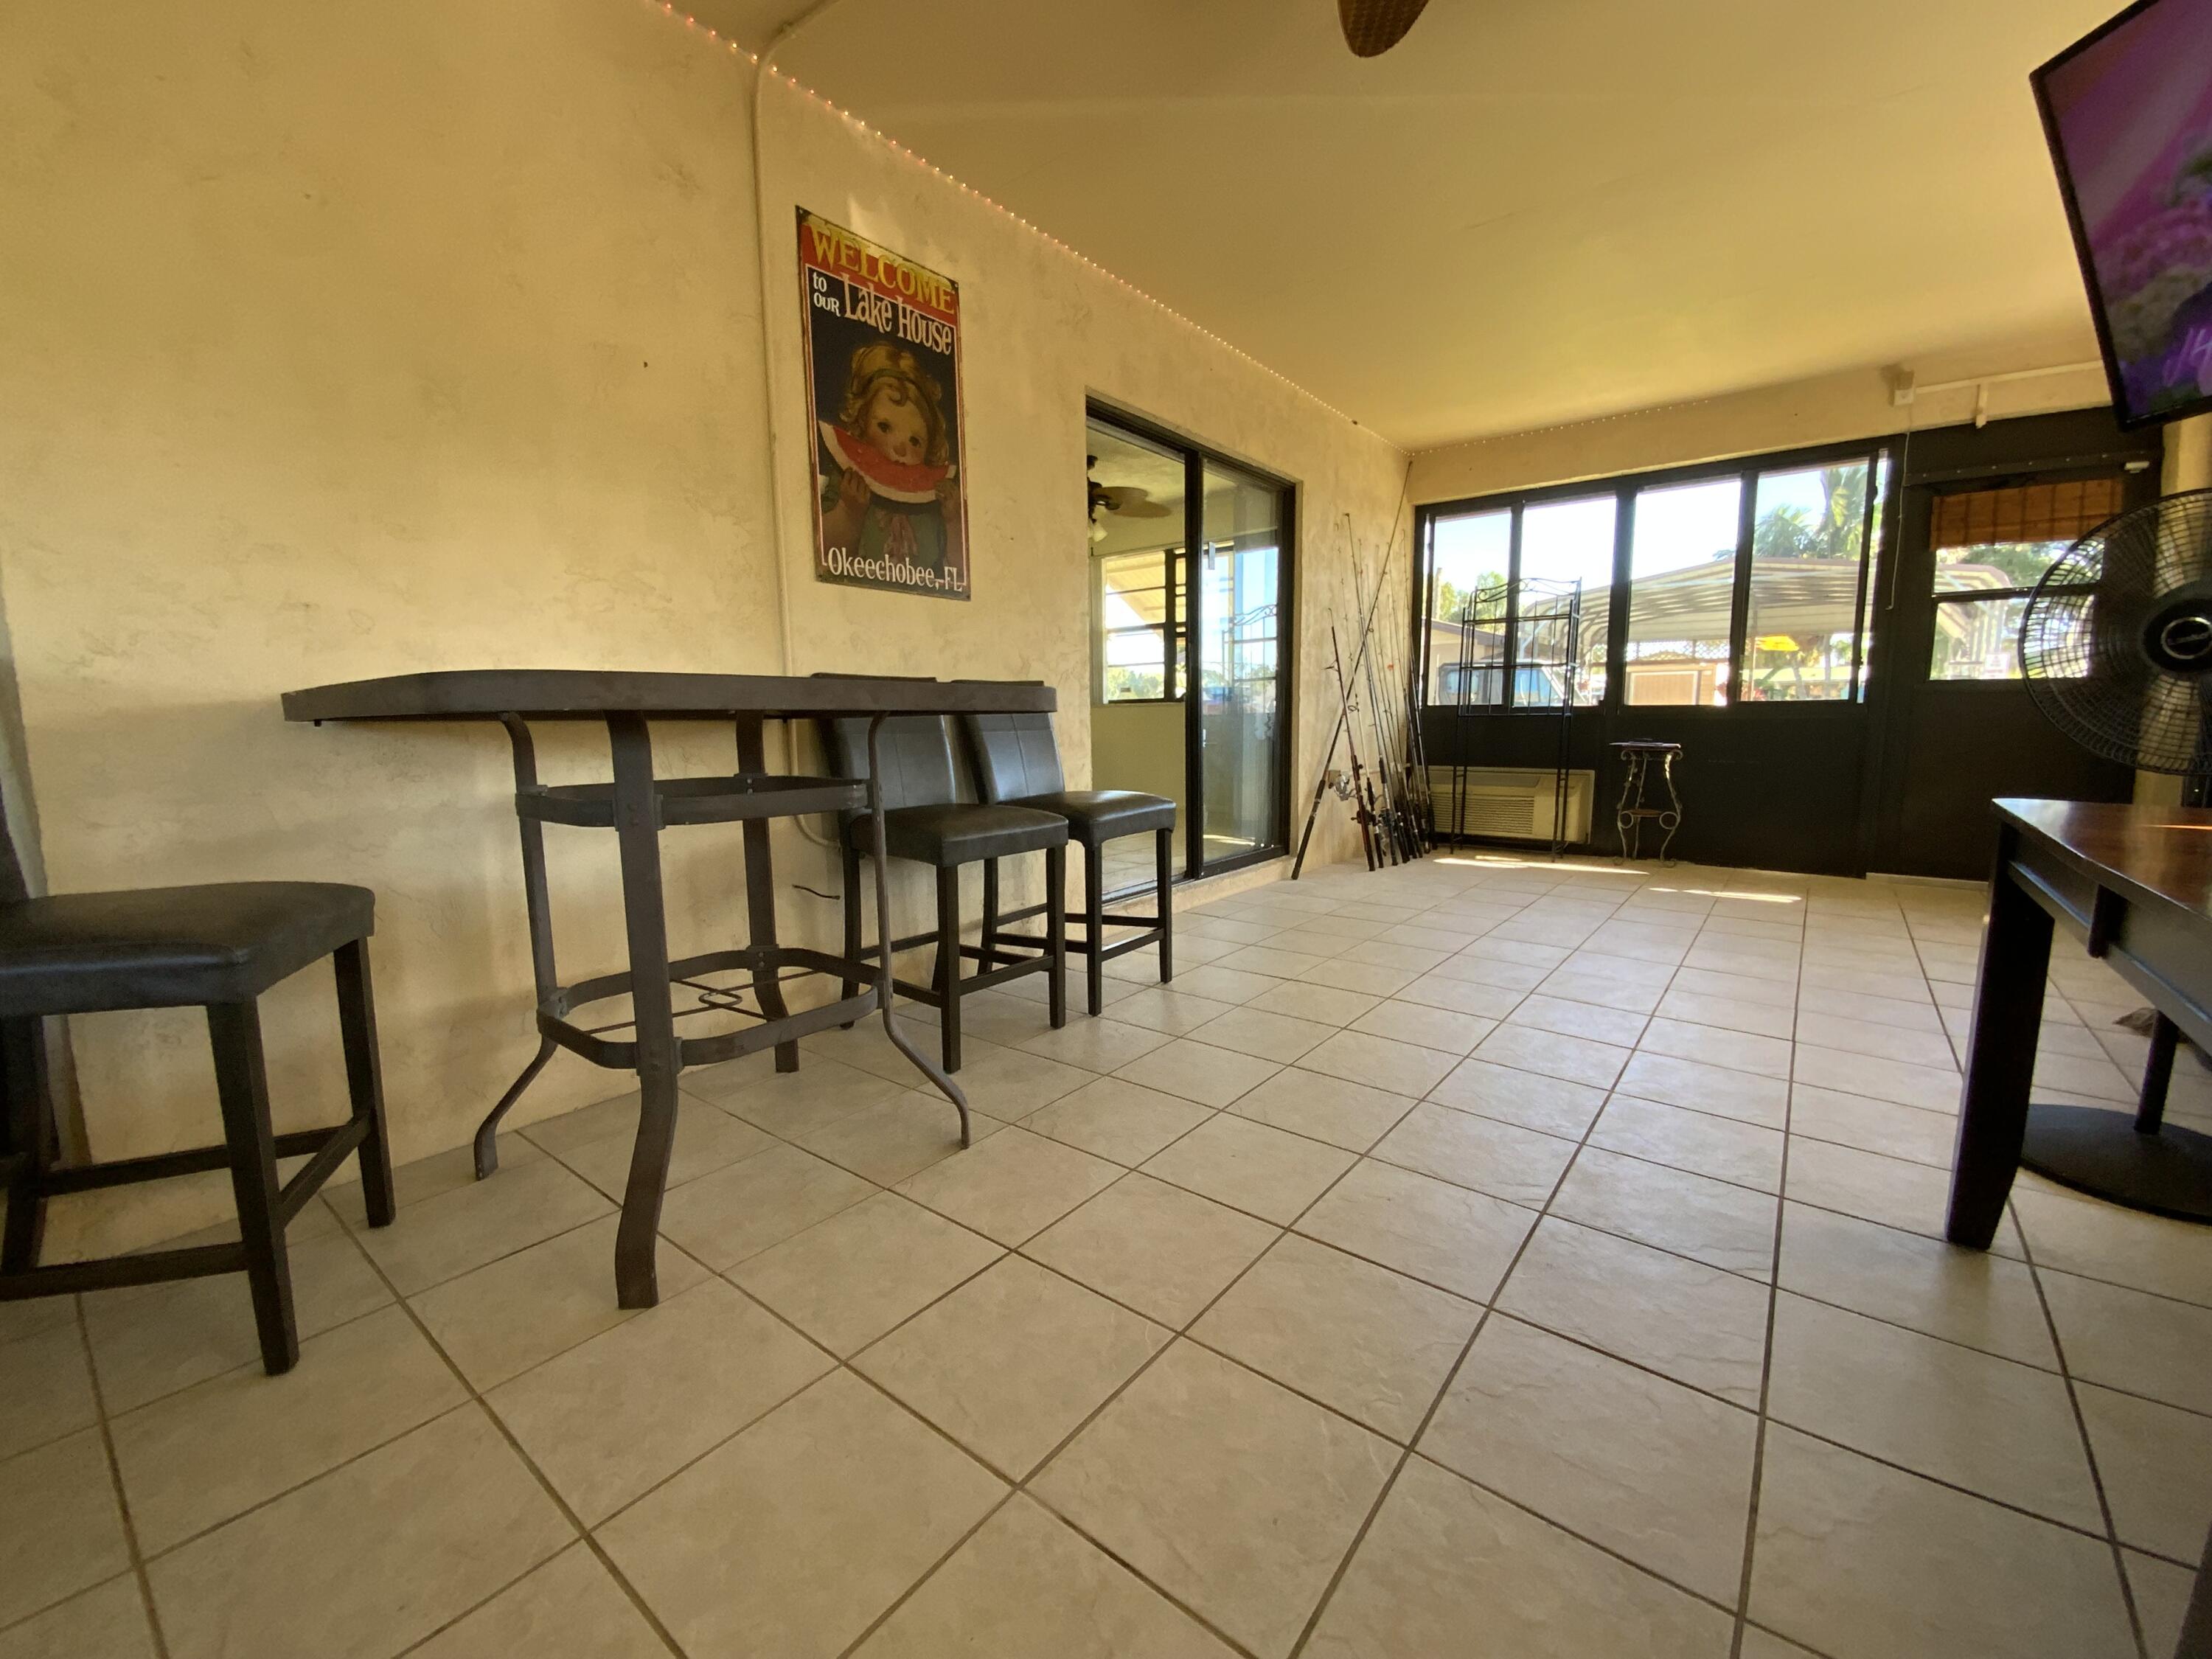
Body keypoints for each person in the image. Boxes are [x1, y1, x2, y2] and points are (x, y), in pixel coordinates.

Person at [817, 339, 963, 577]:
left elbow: (958, 575)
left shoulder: (934, 507)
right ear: (862, 424)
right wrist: (848, 513)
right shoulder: (848, 483)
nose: (901, 449)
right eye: (884, 427)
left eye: (915, 441)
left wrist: (954, 521)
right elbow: (820, 554)